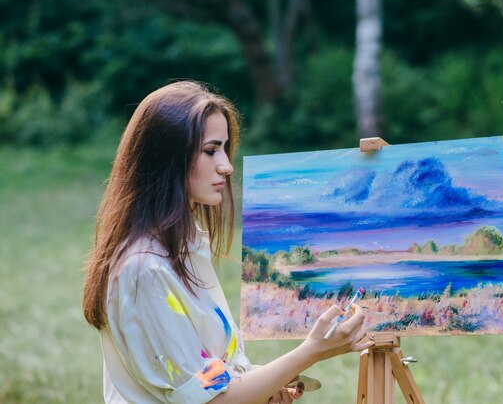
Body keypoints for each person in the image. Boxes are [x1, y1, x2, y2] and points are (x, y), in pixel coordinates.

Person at [82, 80, 373, 404]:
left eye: (224, 148)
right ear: (168, 157)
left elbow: (206, 375)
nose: (227, 165)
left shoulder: (183, 246)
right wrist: (311, 352)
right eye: (210, 150)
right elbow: (211, 401)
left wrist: (259, 382)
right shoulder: (144, 268)